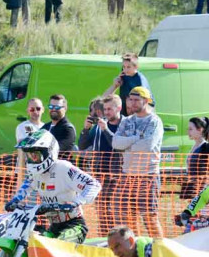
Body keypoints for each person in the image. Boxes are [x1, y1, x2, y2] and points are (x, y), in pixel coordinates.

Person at [5, 130, 101, 243]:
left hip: (74, 225)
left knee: (58, 248)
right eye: (30, 156)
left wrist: (76, 202)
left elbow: (93, 184)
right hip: (54, 226)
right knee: (32, 244)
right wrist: (15, 200)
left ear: (49, 152)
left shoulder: (63, 168)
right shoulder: (36, 173)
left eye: (36, 155)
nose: (32, 159)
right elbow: (27, 185)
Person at [112, 86, 164, 238]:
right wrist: (136, 139)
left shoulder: (154, 121)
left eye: (136, 100)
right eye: (130, 99)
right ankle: (134, 249)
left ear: (146, 101)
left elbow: (147, 146)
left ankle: (160, 250)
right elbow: (116, 143)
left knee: (150, 218)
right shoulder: (126, 121)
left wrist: (127, 145)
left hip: (148, 176)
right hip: (127, 175)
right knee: (127, 216)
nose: (132, 103)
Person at [79, 95, 123, 234]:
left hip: (117, 174)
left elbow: (118, 146)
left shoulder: (124, 124)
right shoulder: (98, 127)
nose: (106, 112)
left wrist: (106, 130)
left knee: (115, 210)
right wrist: (86, 129)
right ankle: (105, 239)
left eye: (109, 109)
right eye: (105, 109)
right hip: (100, 174)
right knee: (102, 210)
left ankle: (118, 239)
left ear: (118, 108)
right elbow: (82, 145)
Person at [173, 117, 209, 229]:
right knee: (193, 217)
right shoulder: (194, 146)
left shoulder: (206, 147)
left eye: (190, 129)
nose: (188, 132)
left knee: (201, 218)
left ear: (200, 130)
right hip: (194, 187)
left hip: (202, 187)